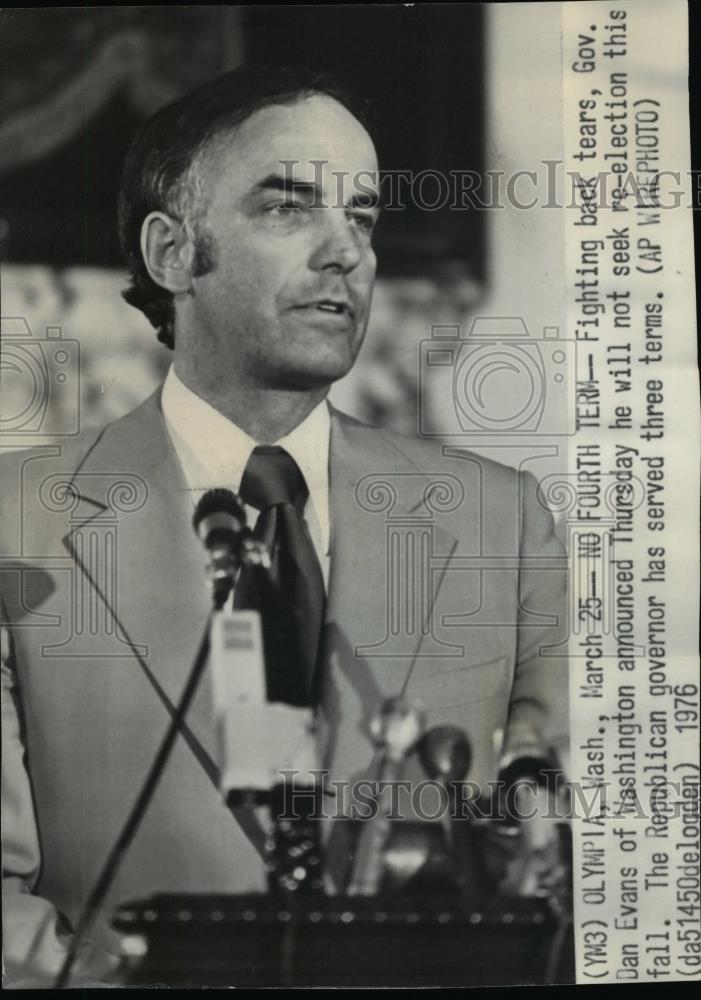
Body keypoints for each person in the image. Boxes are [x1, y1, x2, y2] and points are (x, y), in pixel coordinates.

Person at [0, 65, 568, 987]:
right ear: (171, 253)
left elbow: (575, 861)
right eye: (288, 207)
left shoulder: (502, 521)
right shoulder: (14, 523)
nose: (345, 250)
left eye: (365, 216)